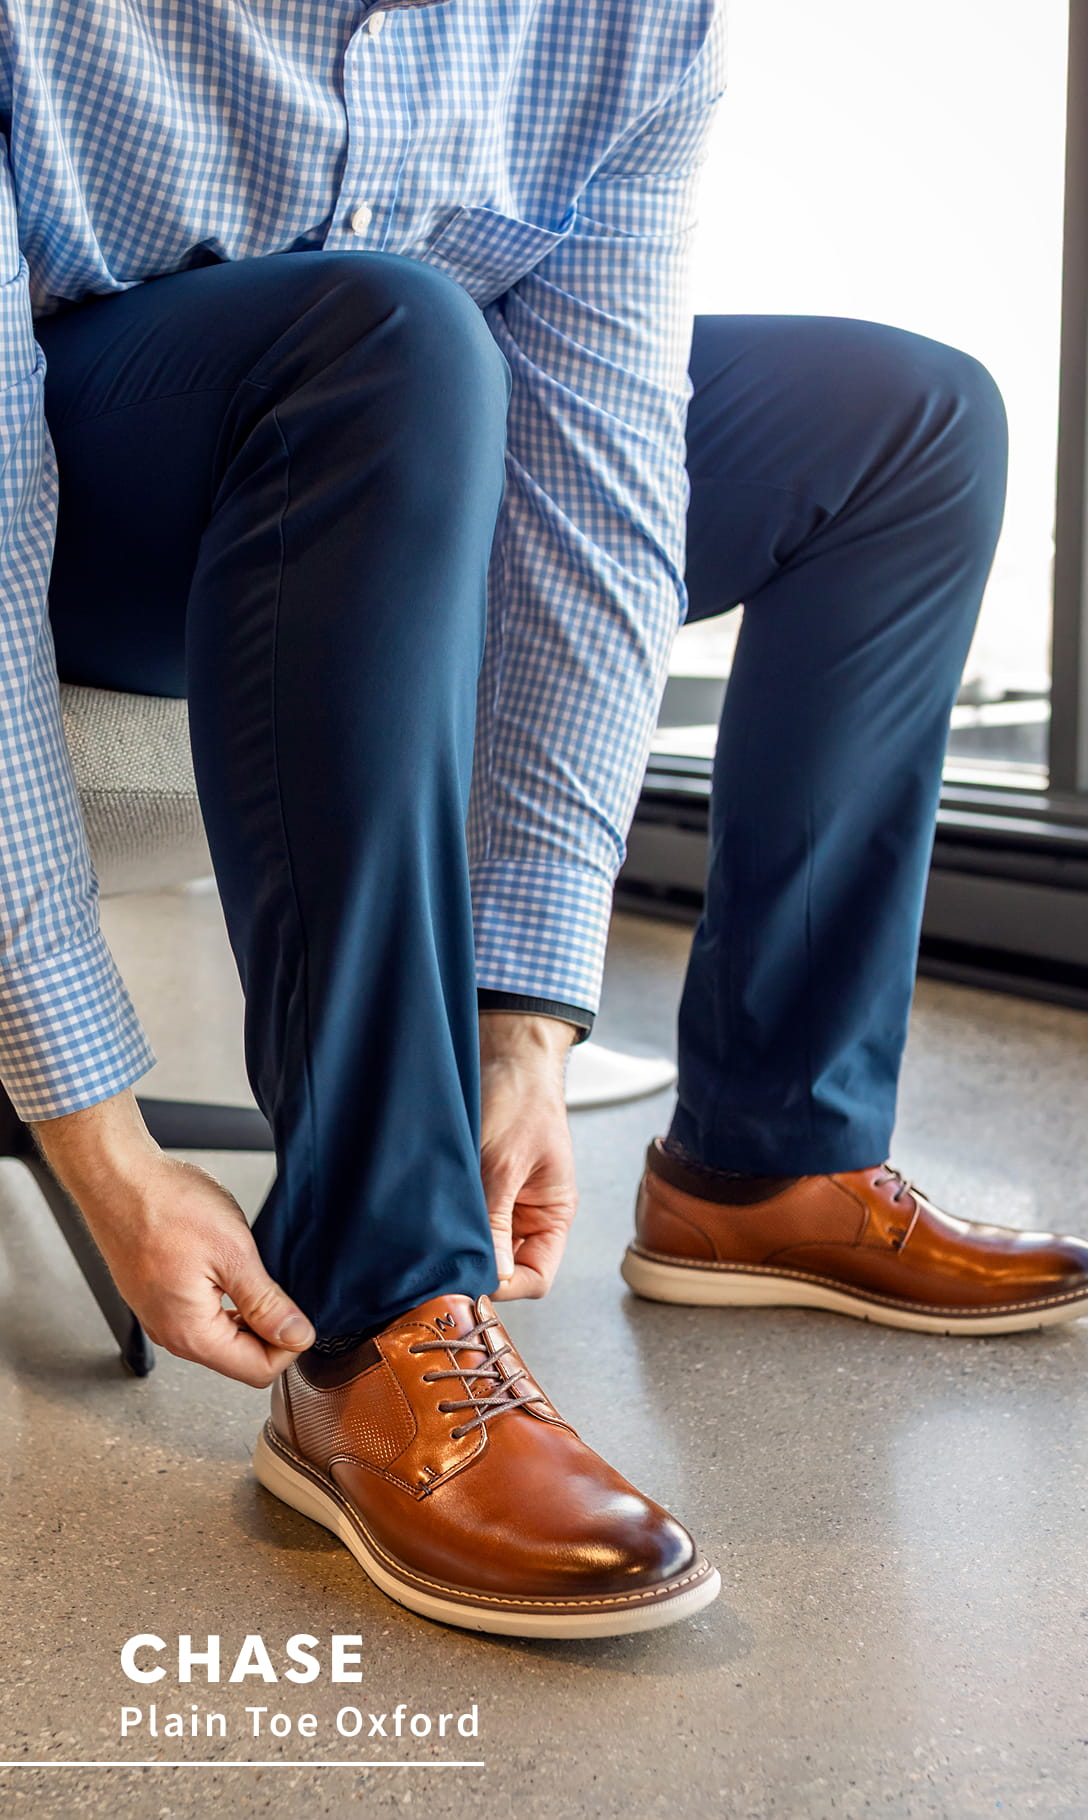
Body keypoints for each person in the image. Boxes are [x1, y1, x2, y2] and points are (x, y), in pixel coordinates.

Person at [3, 0, 1086, 1644]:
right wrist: (90, 1118)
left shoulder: (624, 18)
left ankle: (766, 1162)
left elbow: (597, 481)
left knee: (904, 422)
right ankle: (375, 1316)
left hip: (415, 423)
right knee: (391, 328)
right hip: (104, 483)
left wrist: (528, 1019)